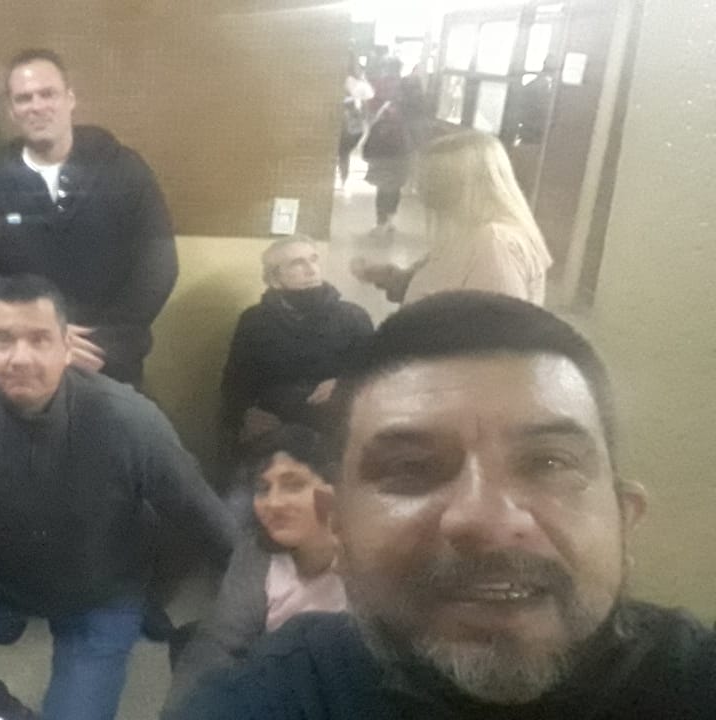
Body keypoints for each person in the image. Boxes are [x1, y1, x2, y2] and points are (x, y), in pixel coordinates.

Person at [171, 291, 716, 719]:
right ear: (338, 526)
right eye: (411, 468)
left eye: (549, 462)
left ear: (624, 518)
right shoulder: (280, 694)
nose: (487, 518)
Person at [0, 274, 236, 720]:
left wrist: (271, 595)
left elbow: (201, 515)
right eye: (3, 340)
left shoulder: (131, 419)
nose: (20, 358)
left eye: (39, 340)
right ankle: (6, 707)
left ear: (68, 349)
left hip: (101, 594)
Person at [0, 48, 177, 386]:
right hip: (25, 362)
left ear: (69, 99)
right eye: (24, 98)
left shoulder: (124, 169)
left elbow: (159, 265)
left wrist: (105, 342)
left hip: (109, 360)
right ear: (11, 111)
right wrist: (41, 333)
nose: (37, 106)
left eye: (47, 94)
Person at [162, 425, 346, 716]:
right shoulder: (258, 556)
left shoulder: (373, 559)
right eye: (263, 489)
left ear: (332, 492)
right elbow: (219, 643)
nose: (273, 502)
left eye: (294, 484)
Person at [218, 235, 372, 466]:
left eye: (313, 259)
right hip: (276, 428)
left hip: (335, 428)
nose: (311, 270)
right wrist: (245, 415)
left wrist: (345, 383)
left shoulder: (353, 317)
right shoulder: (255, 321)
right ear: (275, 278)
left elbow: (378, 375)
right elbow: (235, 383)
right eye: (297, 263)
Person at [351, 130, 553, 305]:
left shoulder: (495, 244)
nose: (420, 189)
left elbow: (499, 325)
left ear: (460, 185)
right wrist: (397, 279)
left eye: (431, 178)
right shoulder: (469, 233)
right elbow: (447, 288)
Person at [361, 56, 414, 238]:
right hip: (403, 145)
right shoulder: (407, 88)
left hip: (382, 146)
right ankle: (390, 220)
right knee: (395, 184)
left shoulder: (380, 86)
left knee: (383, 185)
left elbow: (370, 111)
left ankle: (381, 222)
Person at [338, 58, 373, 188]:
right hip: (353, 127)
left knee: (342, 152)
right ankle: (343, 178)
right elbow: (367, 98)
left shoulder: (346, 80)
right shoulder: (359, 82)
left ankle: (342, 177)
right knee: (344, 153)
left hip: (345, 123)